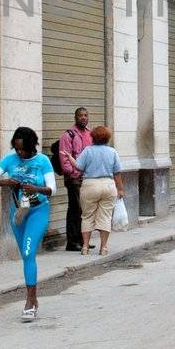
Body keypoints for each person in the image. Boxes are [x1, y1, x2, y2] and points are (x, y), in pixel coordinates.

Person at [0, 126, 56, 322]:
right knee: (26, 257)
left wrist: (36, 188)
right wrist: (6, 182)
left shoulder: (43, 161)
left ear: (32, 146)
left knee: (28, 252)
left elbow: (53, 189)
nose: (20, 152)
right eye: (17, 149)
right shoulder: (9, 160)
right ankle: (34, 300)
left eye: (23, 149)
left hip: (37, 211)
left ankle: (30, 300)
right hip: (17, 214)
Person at [75, 124, 125, 257]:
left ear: (93, 137)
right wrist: (120, 189)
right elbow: (117, 173)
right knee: (105, 217)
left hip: (90, 185)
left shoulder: (87, 150)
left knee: (87, 216)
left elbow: (78, 167)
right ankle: (103, 248)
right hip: (108, 185)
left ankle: (85, 247)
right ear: (107, 138)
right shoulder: (112, 152)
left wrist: (69, 158)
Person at [57, 107, 92, 252]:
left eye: (85, 115)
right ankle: (72, 242)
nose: (83, 118)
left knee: (84, 210)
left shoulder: (90, 133)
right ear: (75, 117)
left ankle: (82, 241)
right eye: (80, 116)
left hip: (87, 177)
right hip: (74, 179)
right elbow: (64, 157)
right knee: (75, 209)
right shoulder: (68, 135)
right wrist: (72, 173)